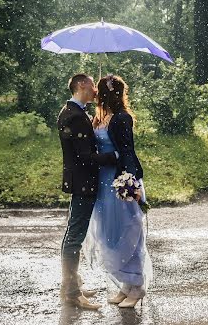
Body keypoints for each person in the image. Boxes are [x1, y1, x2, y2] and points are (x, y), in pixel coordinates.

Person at [83, 73, 153, 308]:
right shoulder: (100, 117)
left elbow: (127, 152)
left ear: (105, 94)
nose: (96, 95)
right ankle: (126, 284)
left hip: (118, 181)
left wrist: (130, 184)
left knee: (128, 231)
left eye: (99, 92)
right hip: (103, 183)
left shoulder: (122, 119)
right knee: (109, 233)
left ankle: (138, 286)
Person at [57, 72, 119, 310]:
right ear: (82, 85)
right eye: (93, 85)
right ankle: (72, 293)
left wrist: (91, 130)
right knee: (75, 237)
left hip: (78, 181)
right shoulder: (76, 117)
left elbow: (79, 147)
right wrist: (112, 157)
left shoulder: (72, 112)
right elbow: (84, 156)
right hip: (84, 182)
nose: (96, 90)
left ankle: (70, 285)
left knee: (73, 234)